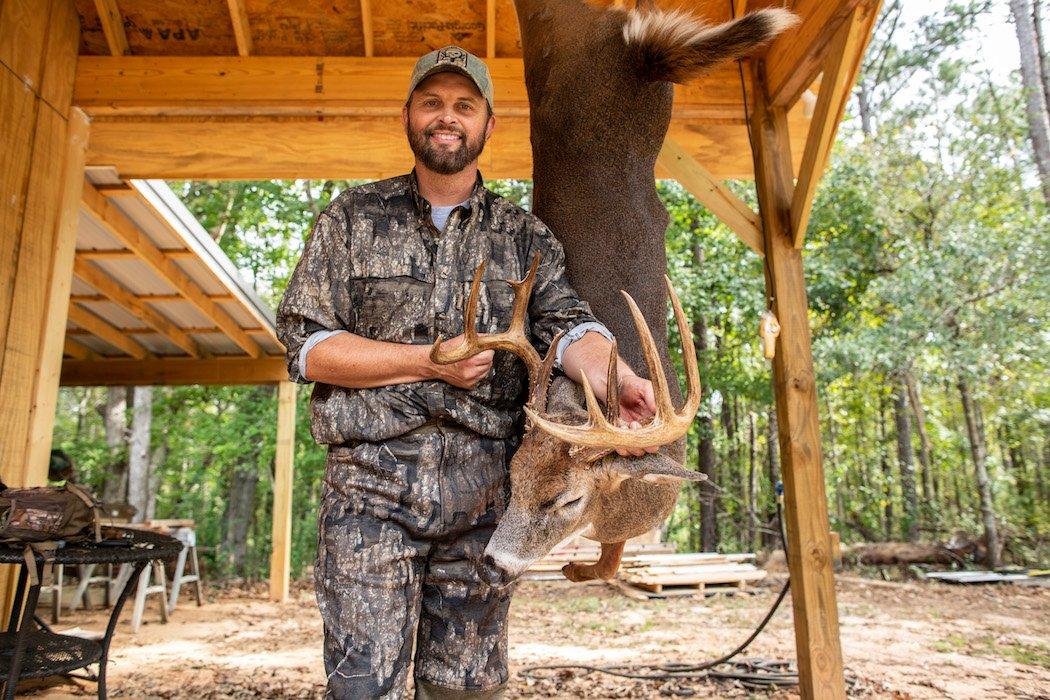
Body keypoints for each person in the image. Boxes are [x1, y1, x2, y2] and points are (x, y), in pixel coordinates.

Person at [277, 46, 662, 700]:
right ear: (408, 116)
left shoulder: (524, 237)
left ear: (489, 124)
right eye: (432, 103)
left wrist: (615, 376)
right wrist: (423, 362)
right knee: (362, 688)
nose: (446, 117)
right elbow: (306, 347)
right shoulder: (350, 219)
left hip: (484, 500)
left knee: (467, 691)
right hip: (368, 492)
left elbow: (567, 326)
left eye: (464, 105)